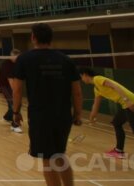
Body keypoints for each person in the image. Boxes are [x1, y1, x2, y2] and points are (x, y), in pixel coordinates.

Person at [12, 23, 83, 186]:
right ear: (51, 38)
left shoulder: (24, 59)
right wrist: (77, 114)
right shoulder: (66, 60)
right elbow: (77, 92)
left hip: (40, 116)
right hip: (63, 115)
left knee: (47, 160)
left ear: (33, 38)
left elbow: (17, 91)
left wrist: (15, 112)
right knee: (60, 155)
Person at [79, 68, 134, 170]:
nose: (81, 79)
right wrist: (91, 118)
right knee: (116, 122)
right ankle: (119, 151)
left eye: (81, 77)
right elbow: (96, 104)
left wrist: (127, 101)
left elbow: (115, 86)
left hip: (131, 102)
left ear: (85, 75)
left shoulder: (97, 79)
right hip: (125, 105)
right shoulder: (96, 89)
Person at [0, 49, 22, 133]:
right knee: (13, 102)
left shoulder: (19, 64)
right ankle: (15, 125)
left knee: (14, 102)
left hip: (13, 84)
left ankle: (7, 117)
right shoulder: (6, 65)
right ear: (11, 56)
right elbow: (11, 82)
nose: (18, 59)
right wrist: (16, 96)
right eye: (16, 57)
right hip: (4, 85)